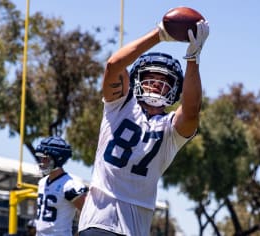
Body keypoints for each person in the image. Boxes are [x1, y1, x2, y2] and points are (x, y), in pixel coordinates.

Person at [77, 12, 209, 236]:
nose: (156, 85)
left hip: (135, 227)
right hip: (99, 221)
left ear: (175, 89)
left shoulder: (170, 130)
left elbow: (191, 112)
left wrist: (193, 59)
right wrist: (159, 34)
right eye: (151, 78)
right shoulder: (120, 105)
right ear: (137, 79)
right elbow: (113, 65)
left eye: (163, 81)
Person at [34, 136, 88, 236]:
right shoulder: (42, 182)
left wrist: (80, 233)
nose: (42, 162)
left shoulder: (70, 185)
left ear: (58, 159)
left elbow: (88, 213)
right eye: (41, 158)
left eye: (46, 159)